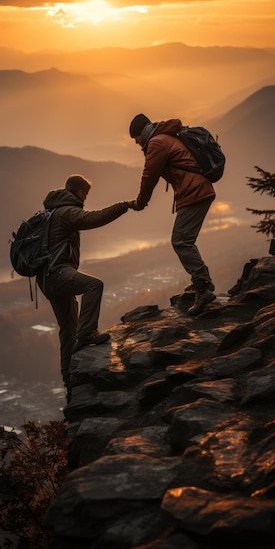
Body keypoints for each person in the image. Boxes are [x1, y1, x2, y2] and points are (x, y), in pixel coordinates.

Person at [37, 174, 132, 398]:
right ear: (80, 192)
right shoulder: (66, 211)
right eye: (86, 194)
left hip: (46, 279)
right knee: (94, 286)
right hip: (59, 274)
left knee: (67, 329)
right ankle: (87, 334)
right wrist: (124, 206)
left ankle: (68, 379)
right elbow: (94, 219)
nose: (86, 198)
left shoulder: (50, 211)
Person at [128, 113, 216, 315]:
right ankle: (201, 283)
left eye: (135, 138)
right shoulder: (164, 137)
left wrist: (140, 202)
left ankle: (203, 287)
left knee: (181, 240)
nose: (136, 143)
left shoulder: (157, 143)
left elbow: (149, 175)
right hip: (196, 190)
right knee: (185, 240)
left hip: (194, 192)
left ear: (141, 133)